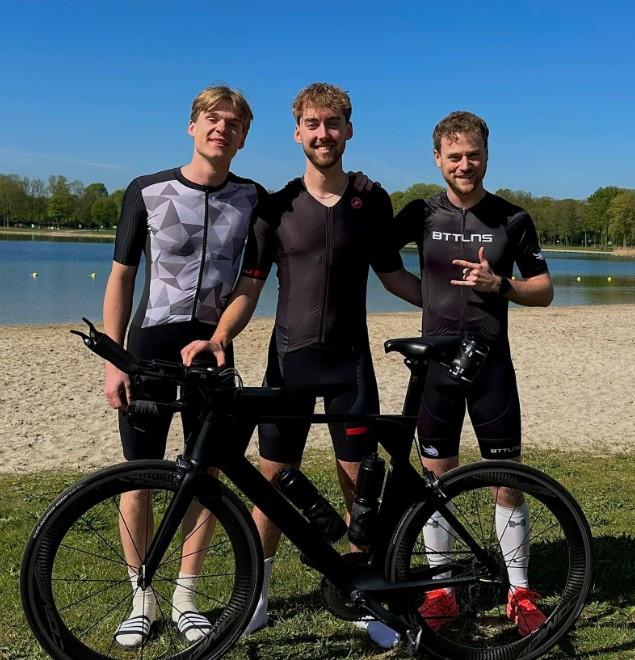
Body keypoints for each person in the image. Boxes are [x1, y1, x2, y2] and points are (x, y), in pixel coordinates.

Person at [181, 82, 422, 636]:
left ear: (349, 130)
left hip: (349, 367)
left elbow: (394, 277)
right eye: (313, 124)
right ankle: (258, 597)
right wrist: (220, 336)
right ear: (297, 133)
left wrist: (452, 306)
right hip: (289, 363)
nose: (323, 133)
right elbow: (249, 286)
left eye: (333, 123)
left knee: (360, 485)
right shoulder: (276, 206)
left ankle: (365, 598)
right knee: (271, 480)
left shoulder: (372, 200)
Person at [365, 111, 554, 648]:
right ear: (437, 159)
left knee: (506, 482)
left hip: (492, 367)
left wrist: (502, 286)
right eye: (454, 156)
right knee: (435, 481)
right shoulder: (421, 212)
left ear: (486, 155)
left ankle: (520, 591)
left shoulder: (512, 218)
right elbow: (381, 261)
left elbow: (544, 289)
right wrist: (427, 298)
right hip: (437, 369)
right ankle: (442, 590)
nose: (464, 164)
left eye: (473, 155)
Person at [102, 84, 269, 648]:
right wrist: (115, 359)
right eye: (212, 119)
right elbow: (122, 276)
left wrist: (222, 336)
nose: (222, 129)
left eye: (233, 123)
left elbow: (250, 285)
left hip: (212, 352)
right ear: (192, 126)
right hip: (149, 349)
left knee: (208, 473)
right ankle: (141, 596)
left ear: (243, 138)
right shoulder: (146, 190)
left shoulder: (253, 198)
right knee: (140, 473)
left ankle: (186, 595)